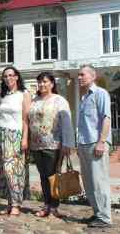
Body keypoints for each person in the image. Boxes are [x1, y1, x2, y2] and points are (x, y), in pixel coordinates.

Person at [28, 72, 75, 217]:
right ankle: (47, 204)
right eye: (40, 82)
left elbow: (67, 123)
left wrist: (67, 143)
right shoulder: (34, 100)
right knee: (43, 176)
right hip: (36, 145)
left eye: (45, 81)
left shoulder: (59, 100)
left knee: (52, 175)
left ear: (52, 84)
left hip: (53, 144)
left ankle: (53, 205)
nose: (42, 84)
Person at [77, 65, 112, 228]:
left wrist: (102, 141)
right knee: (89, 182)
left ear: (93, 76)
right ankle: (97, 213)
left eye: (82, 75)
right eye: (78, 75)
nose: (79, 77)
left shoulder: (101, 93)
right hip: (84, 144)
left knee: (99, 181)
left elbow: (106, 118)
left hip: (96, 143)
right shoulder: (84, 98)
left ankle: (105, 218)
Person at [0, 66, 32, 216]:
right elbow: (0, 117)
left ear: (17, 77)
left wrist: (24, 138)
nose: (8, 78)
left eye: (11, 75)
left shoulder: (24, 94)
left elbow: (26, 119)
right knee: (3, 171)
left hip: (15, 135)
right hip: (0, 135)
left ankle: (17, 203)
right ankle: (9, 203)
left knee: (13, 170)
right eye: (5, 76)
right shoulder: (2, 95)